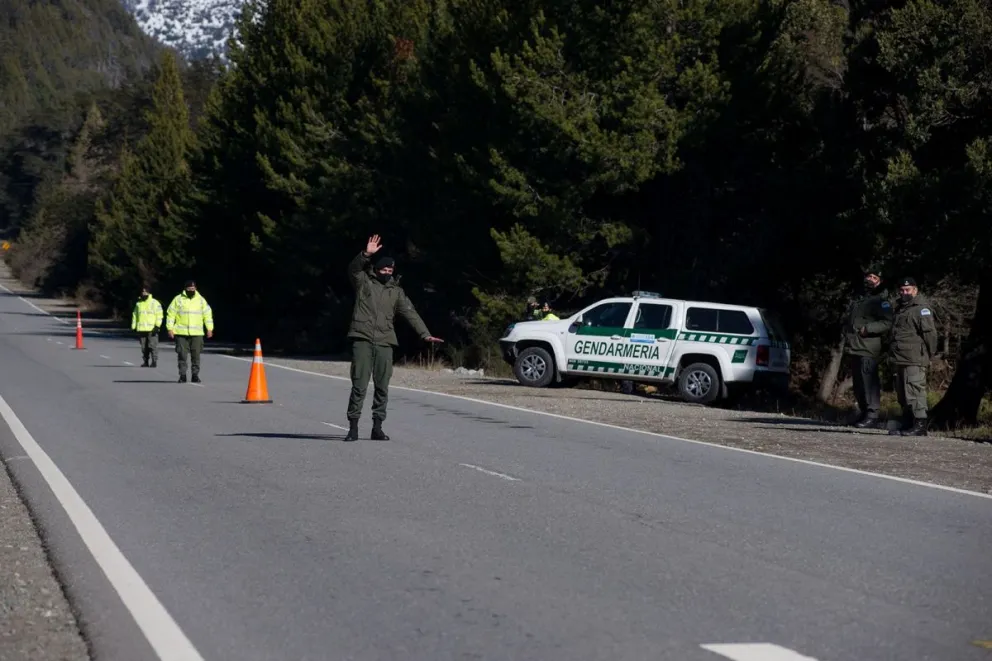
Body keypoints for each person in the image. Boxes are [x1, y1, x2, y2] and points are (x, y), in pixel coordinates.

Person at [345, 235, 444, 441]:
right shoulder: (364, 282)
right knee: (359, 385)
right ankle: (353, 427)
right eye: (384, 269)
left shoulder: (396, 292)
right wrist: (366, 254)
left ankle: (377, 427)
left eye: (391, 270)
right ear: (377, 268)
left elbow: (410, 313)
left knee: (382, 386)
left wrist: (424, 334)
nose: (387, 272)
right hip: (362, 339)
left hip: (385, 342)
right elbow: (353, 269)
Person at [887, 277, 938, 437]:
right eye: (902, 290)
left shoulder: (921, 309)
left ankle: (920, 424)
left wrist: (930, 354)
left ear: (915, 290)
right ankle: (908, 423)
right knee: (903, 393)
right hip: (899, 357)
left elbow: (930, 335)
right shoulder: (900, 308)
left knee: (915, 390)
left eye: (907, 290)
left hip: (914, 357)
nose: (904, 293)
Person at [842, 268, 893, 428]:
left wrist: (868, 329)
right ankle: (864, 413)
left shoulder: (881, 300)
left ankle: (872, 414)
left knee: (869, 382)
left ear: (880, 281)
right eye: (868, 276)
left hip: (868, 346)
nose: (870, 279)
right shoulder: (860, 298)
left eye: (874, 277)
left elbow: (887, 322)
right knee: (858, 383)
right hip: (855, 346)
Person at [166, 279, 214, 384]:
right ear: (185, 289)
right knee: (182, 355)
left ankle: (195, 375)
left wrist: (209, 328)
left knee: (196, 355)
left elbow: (207, 315)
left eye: (193, 288)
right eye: (189, 288)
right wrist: (170, 328)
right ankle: (182, 375)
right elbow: (171, 314)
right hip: (181, 333)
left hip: (197, 334)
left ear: (195, 288)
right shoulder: (178, 299)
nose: (191, 290)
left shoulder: (201, 300)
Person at [131, 285, 163, 368]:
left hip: (152, 329)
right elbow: (135, 315)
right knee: (143, 347)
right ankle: (145, 361)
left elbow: (159, 315)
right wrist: (134, 326)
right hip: (141, 329)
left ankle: (154, 361)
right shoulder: (138, 304)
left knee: (152, 346)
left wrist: (157, 326)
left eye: (146, 292)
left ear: (149, 293)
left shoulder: (155, 303)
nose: (144, 293)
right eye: (143, 292)